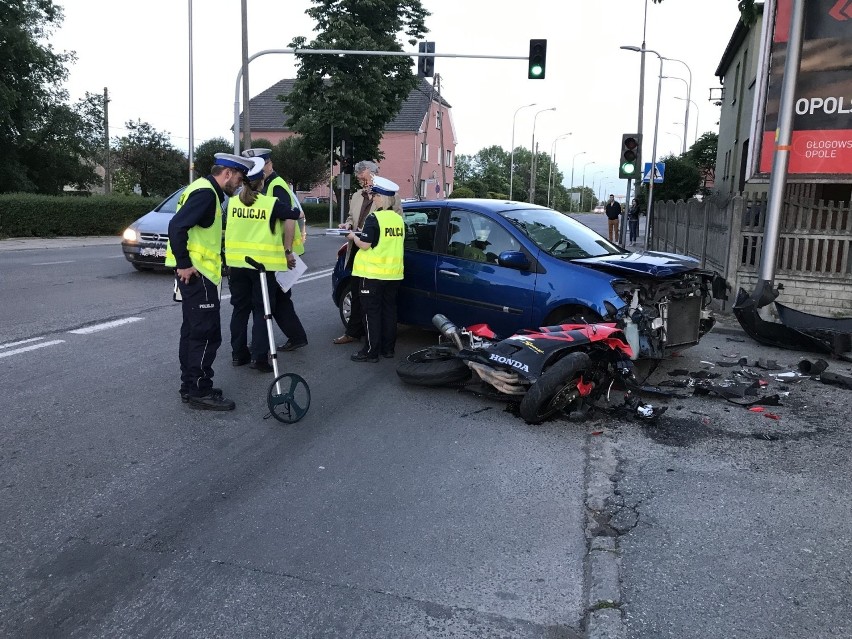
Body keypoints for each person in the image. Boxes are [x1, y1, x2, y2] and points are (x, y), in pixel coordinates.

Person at [165, 153, 252, 411]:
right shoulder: (205, 194)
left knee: (192, 333)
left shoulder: (203, 190)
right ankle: (199, 390)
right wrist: (184, 264)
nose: (238, 184)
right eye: (237, 178)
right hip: (197, 274)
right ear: (227, 173)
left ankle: (190, 386)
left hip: (198, 275)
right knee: (205, 335)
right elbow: (176, 226)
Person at [225, 157, 300, 374]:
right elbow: (295, 214)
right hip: (261, 267)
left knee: (239, 310)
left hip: (237, 264)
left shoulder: (232, 202)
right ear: (262, 181)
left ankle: (238, 355)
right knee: (262, 311)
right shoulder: (269, 203)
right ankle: (260, 358)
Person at [241, 148, 308, 352]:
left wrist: (287, 251)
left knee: (275, 299)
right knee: (278, 299)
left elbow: (290, 217)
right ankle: (295, 337)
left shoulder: (276, 185)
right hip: (273, 251)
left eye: (258, 166)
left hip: (280, 252)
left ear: (268, 165)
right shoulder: (267, 184)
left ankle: (278, 340)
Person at [333, 160, 402, 346]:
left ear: (373, 174)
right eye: (359, 178)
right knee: (356, 292)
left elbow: (396, 220)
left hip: (376, 251)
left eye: (363, 177)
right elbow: (351, 217)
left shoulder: (390, 196)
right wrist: (347, 225)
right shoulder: (356, 196)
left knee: (374, 300)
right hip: (357, 247)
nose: (361, 181)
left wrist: (372, 230)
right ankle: (353, 332)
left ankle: (374, 340)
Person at [347, 176, 404, 363]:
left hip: (372, 274)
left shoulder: (374, 218)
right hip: (393, 274)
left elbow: (364, 245)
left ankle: (371, 352)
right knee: (389, 312)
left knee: (371, 313)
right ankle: (388, 350)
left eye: (375, 195)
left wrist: (353, 237)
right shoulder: (398, 220)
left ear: (382, 198)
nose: (373, 198)